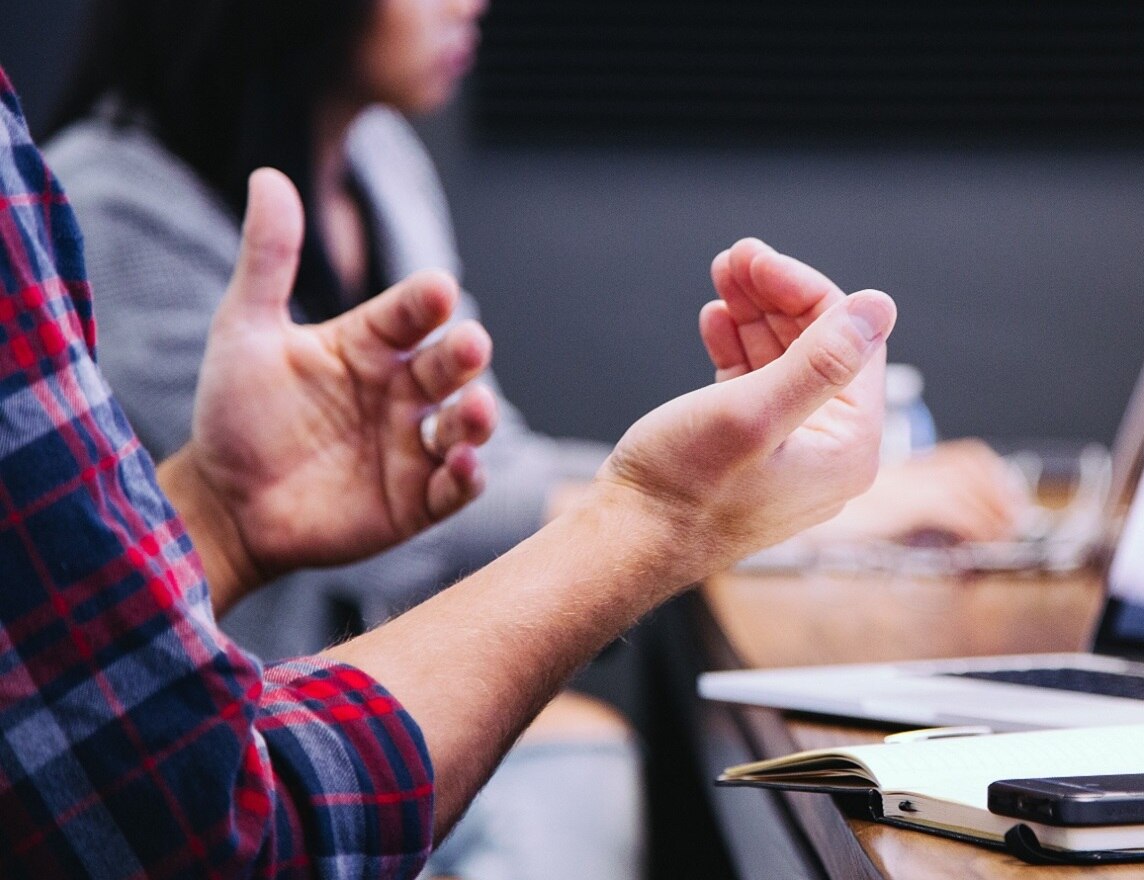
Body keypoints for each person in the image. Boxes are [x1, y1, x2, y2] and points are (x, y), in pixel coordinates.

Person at [0, 58, 899, 878]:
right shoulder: (110, 199)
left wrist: (221, 516)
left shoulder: (379, 157)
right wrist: (665, 516)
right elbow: (199, 833)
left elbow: (49, 652)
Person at [45, 0, 1027, 664]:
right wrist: (776, 508)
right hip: (240, 748)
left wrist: (740, 498)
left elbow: (476, 459)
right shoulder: (108, 208)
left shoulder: (377, 160)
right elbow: (404, 530)